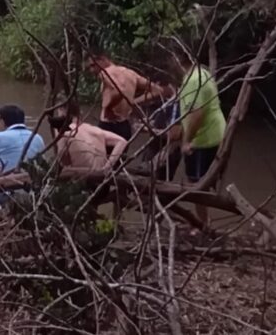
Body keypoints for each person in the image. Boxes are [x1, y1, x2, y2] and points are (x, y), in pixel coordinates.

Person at [174, 50, 227, 228]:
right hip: (216, 133)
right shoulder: (202, 72)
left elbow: (197, 114)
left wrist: (186, 141)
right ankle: (205, 221)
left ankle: (204, 225)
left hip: (203, 138)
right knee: (203, 181)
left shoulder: (192, 81)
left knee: (196, 185)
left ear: (177, 60)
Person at [87, 53, 164, 141]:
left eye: (93, 65)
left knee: (102, 154)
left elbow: (120, 90)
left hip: (108, 125)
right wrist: (132, 102)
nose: (92, 70)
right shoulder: (130, 73)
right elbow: (158, 90)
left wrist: (109, 107)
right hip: (124, 127)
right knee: (121, 154)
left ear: (103, 59)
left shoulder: (105, 72)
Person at [49, 112, 127, 171]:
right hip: (101, 178)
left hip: (84, 180)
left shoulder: (64, 132)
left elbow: (63, 161)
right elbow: (122, 141)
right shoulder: (95, 130)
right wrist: (107, 167)